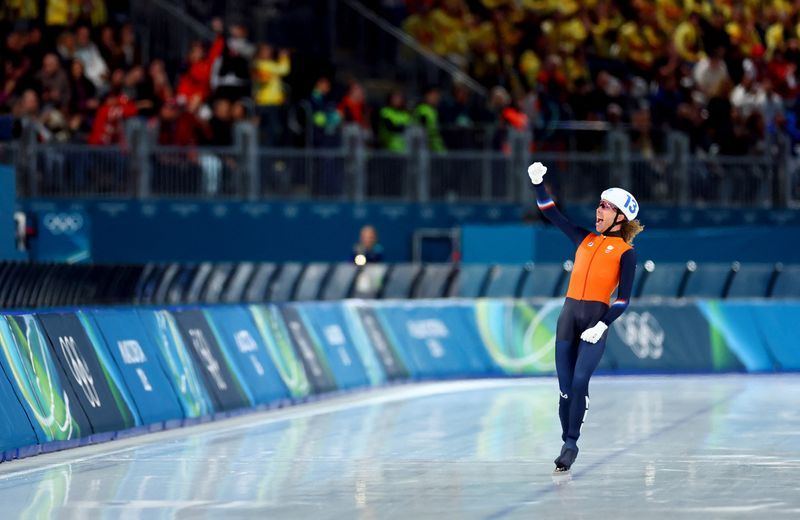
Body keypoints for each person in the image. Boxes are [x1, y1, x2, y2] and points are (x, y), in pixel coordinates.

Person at [527, 161, 644, 473]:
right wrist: (539, 184)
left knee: (579, 382)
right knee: (565, 389)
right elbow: (551, 212)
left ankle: (570, 443)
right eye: (599, 205)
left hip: (594, 322)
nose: (599, 210)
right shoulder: (584, 239)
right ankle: (570, 424)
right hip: (568, 318)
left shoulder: (625, 253)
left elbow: (623, 300)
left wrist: (603, 324)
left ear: (620, 217)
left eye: (606, 207)